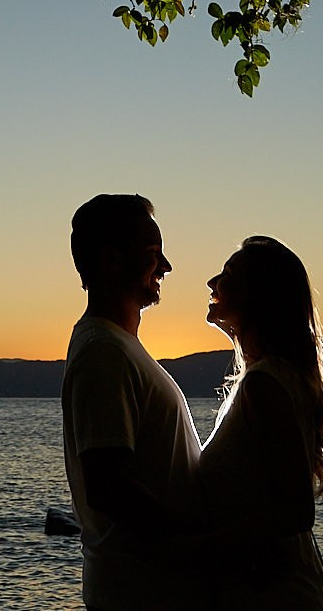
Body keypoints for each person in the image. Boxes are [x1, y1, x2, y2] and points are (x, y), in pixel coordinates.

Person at [61, 194, 204, 611]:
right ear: (110, 260)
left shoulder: (118, 348)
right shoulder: (104, 353)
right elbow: (108, 486)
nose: (166, 267)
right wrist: (201, 542)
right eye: (152, 254)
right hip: (141, 591)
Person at [197, 235, 323, 610]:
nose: (212, 283)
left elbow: (295, 512)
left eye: (227, 275)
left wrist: (189, 546)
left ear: (257, 296)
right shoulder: (270, 378)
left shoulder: (266, 384)